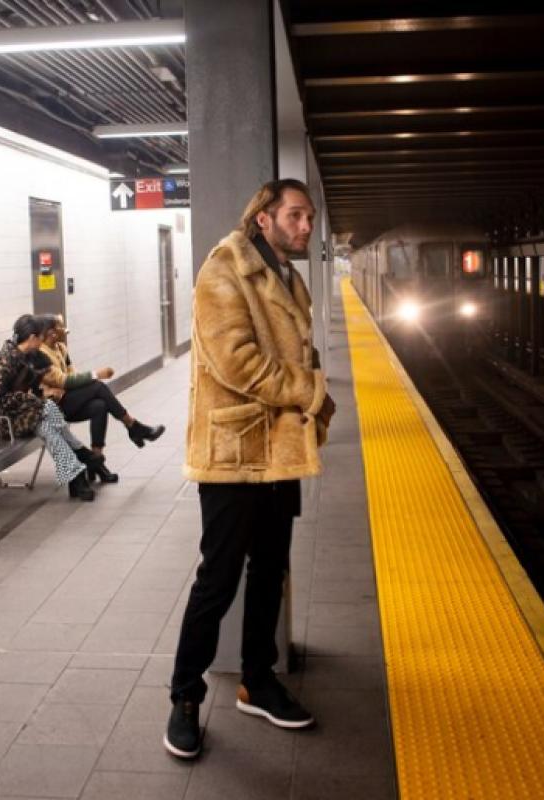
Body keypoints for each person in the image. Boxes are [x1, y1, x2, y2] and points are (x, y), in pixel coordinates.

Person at [164, 179, 337, 759]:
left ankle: (257, 681)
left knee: (269, 571)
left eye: (309, 217)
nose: (306, 226)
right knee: (217, 579)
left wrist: (315, 397)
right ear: (264, 218)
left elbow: (299, 352)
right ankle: (184, 697)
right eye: (295, 215)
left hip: (280, 449)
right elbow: (235, 363)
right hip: (234, 453)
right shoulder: (224, 269)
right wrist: (310, 390)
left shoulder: (287, 276)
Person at [0, 314, 100, 501]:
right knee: (44, 411)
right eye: (41, 337)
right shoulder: (3, 361)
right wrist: (31, 399)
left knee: (45, 423)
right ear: (32, 338)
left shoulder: (30, 357)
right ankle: (80, 454)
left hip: (14, 412)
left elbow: (43, 383)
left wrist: (42, 395)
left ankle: (76, 474)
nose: (42, 341)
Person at [35, 315, 165, 483]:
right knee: (97, 386)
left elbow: (72, 375)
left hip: (68, 398)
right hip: (55, 406)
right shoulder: (41, 355)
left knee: (100, 406)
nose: (65, 330)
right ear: (51, 332)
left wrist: (83, 382)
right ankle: (132, 426)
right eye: (61, 327)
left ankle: (96, 462)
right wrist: (95, 374)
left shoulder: (61, 348)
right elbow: (61, 380)